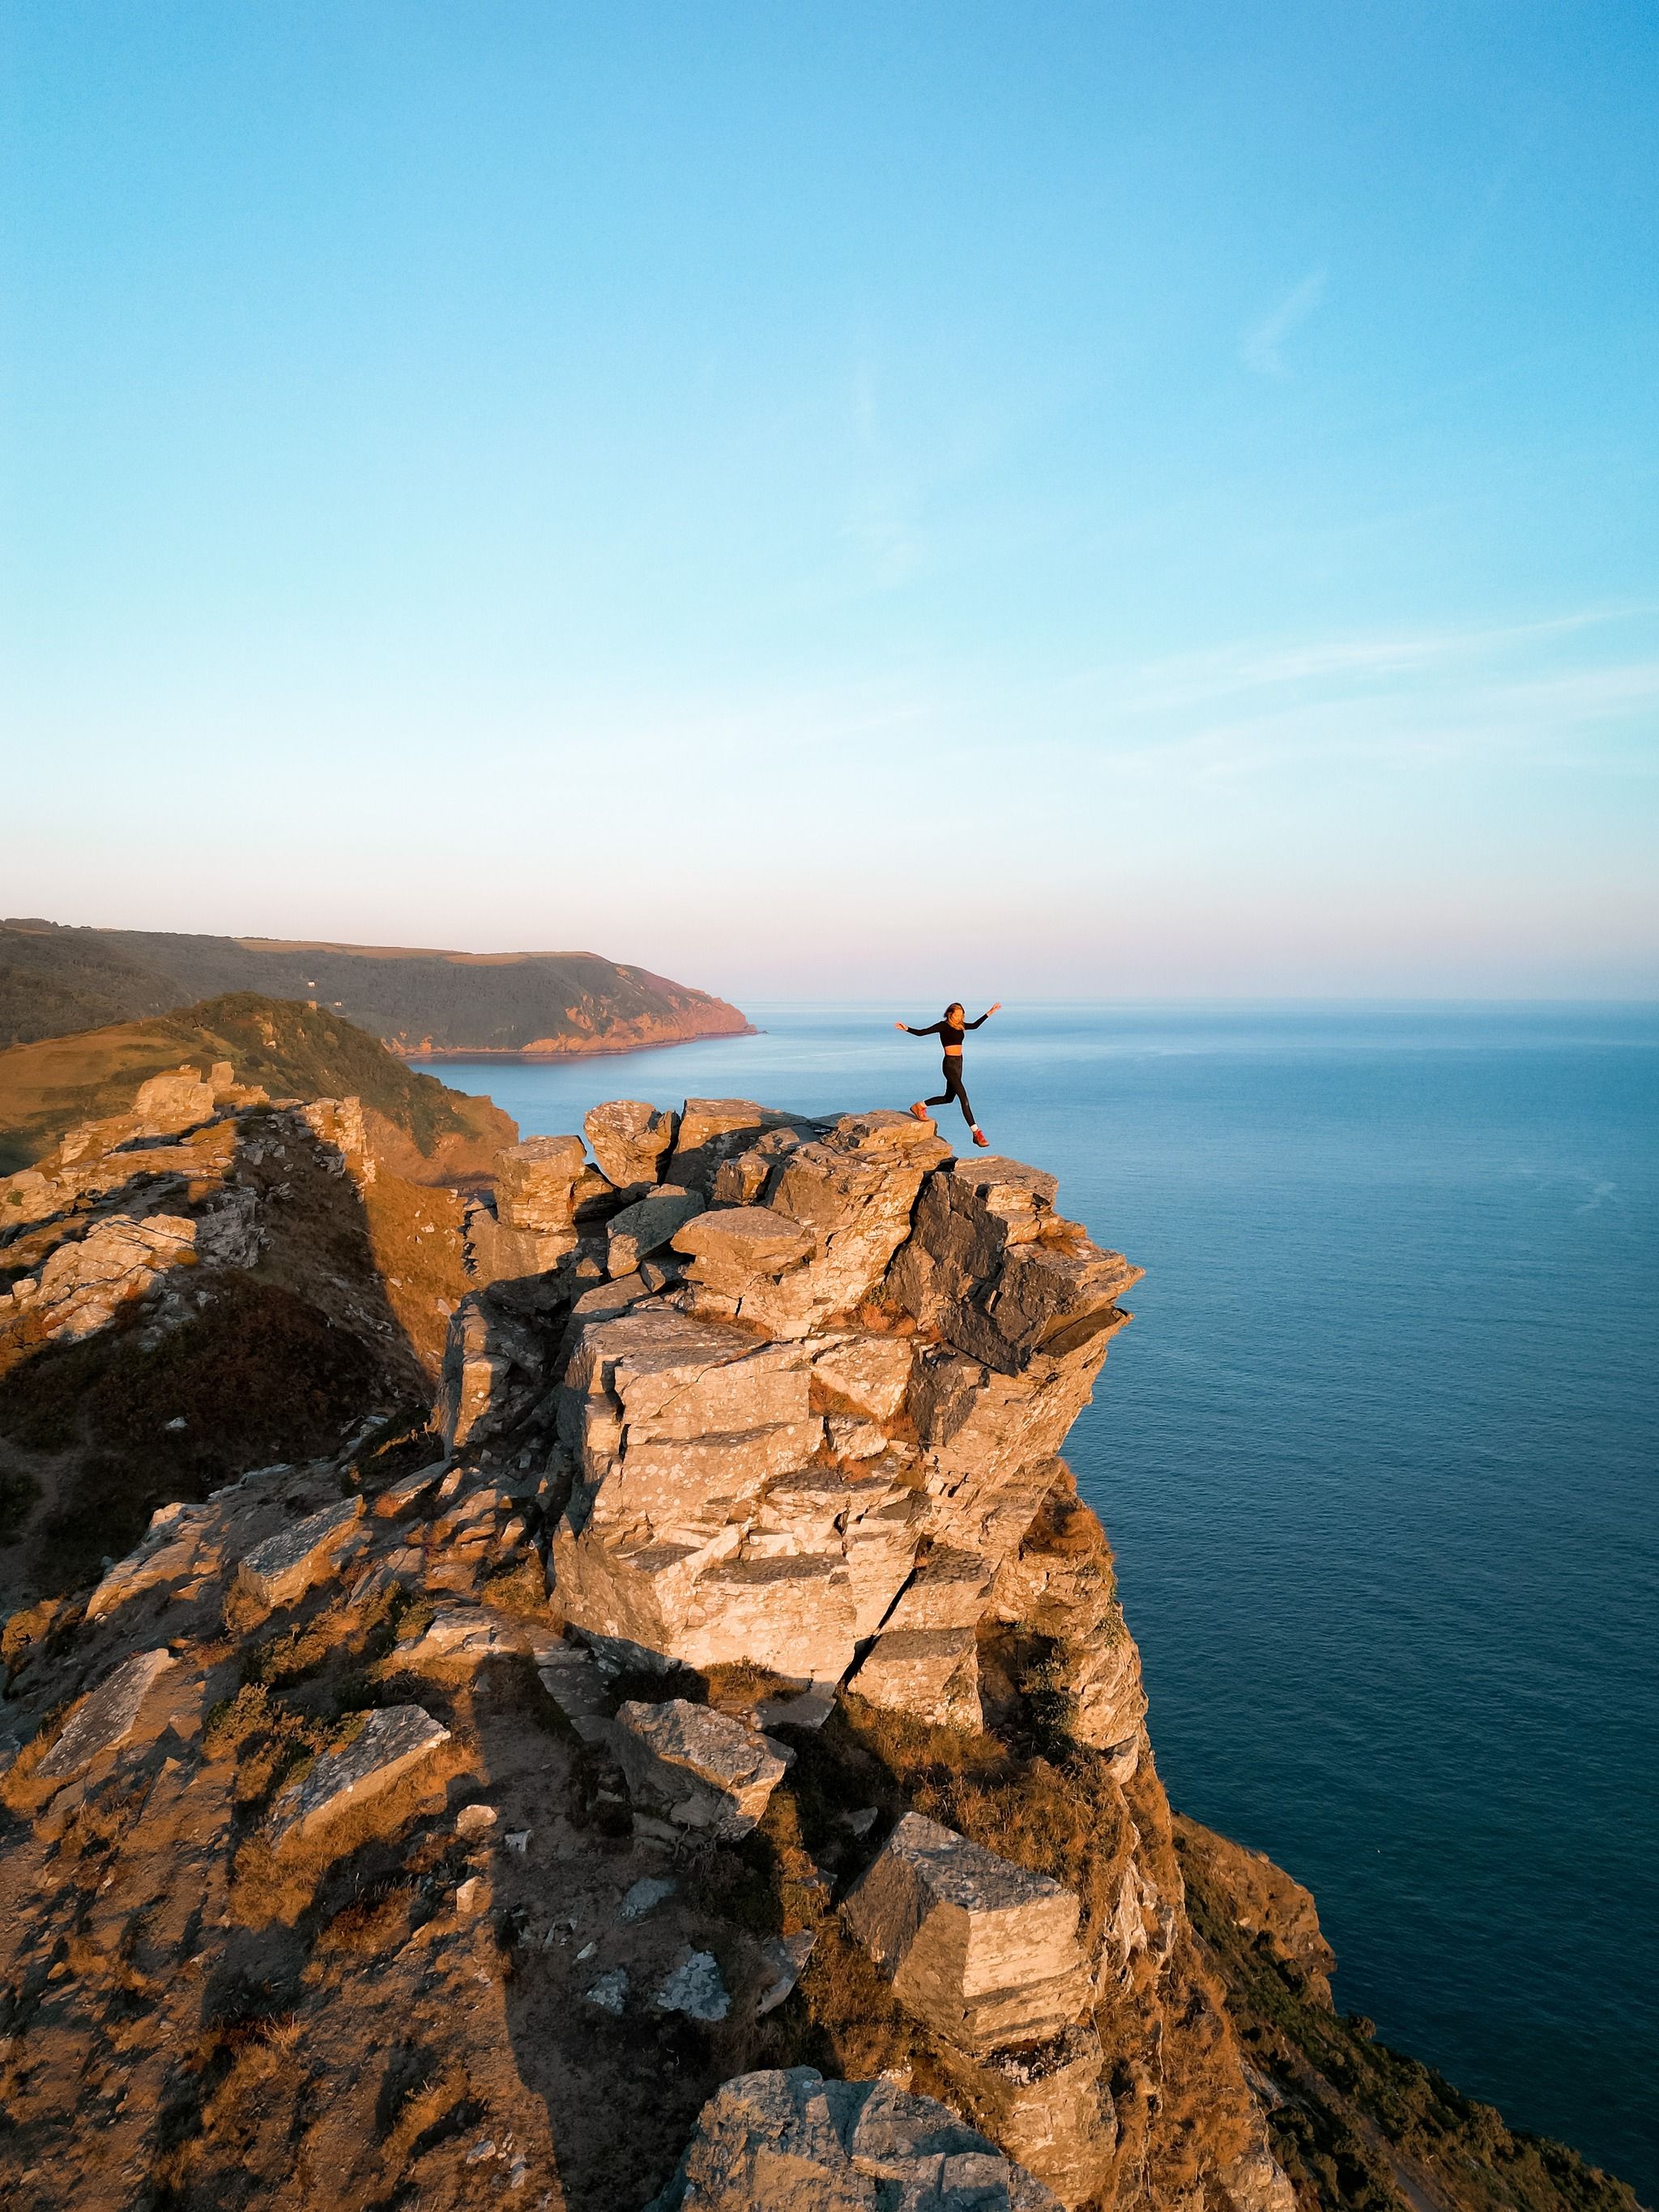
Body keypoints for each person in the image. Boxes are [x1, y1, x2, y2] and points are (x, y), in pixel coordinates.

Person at [894, 1000, 1000, 1147]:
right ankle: (976, 1133)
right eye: (957, 1015)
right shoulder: (943, 1026)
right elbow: (922, 1033)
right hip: (949, 1065)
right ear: (950, 1014)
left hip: (959, 1064)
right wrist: (907, 1029)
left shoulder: (961, 1026)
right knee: (964, 1099)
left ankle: (919, 1106)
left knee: (949, 1098)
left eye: (961, 1015)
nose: (959, 1018)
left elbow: (975, 1025)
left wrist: (990, 1012)